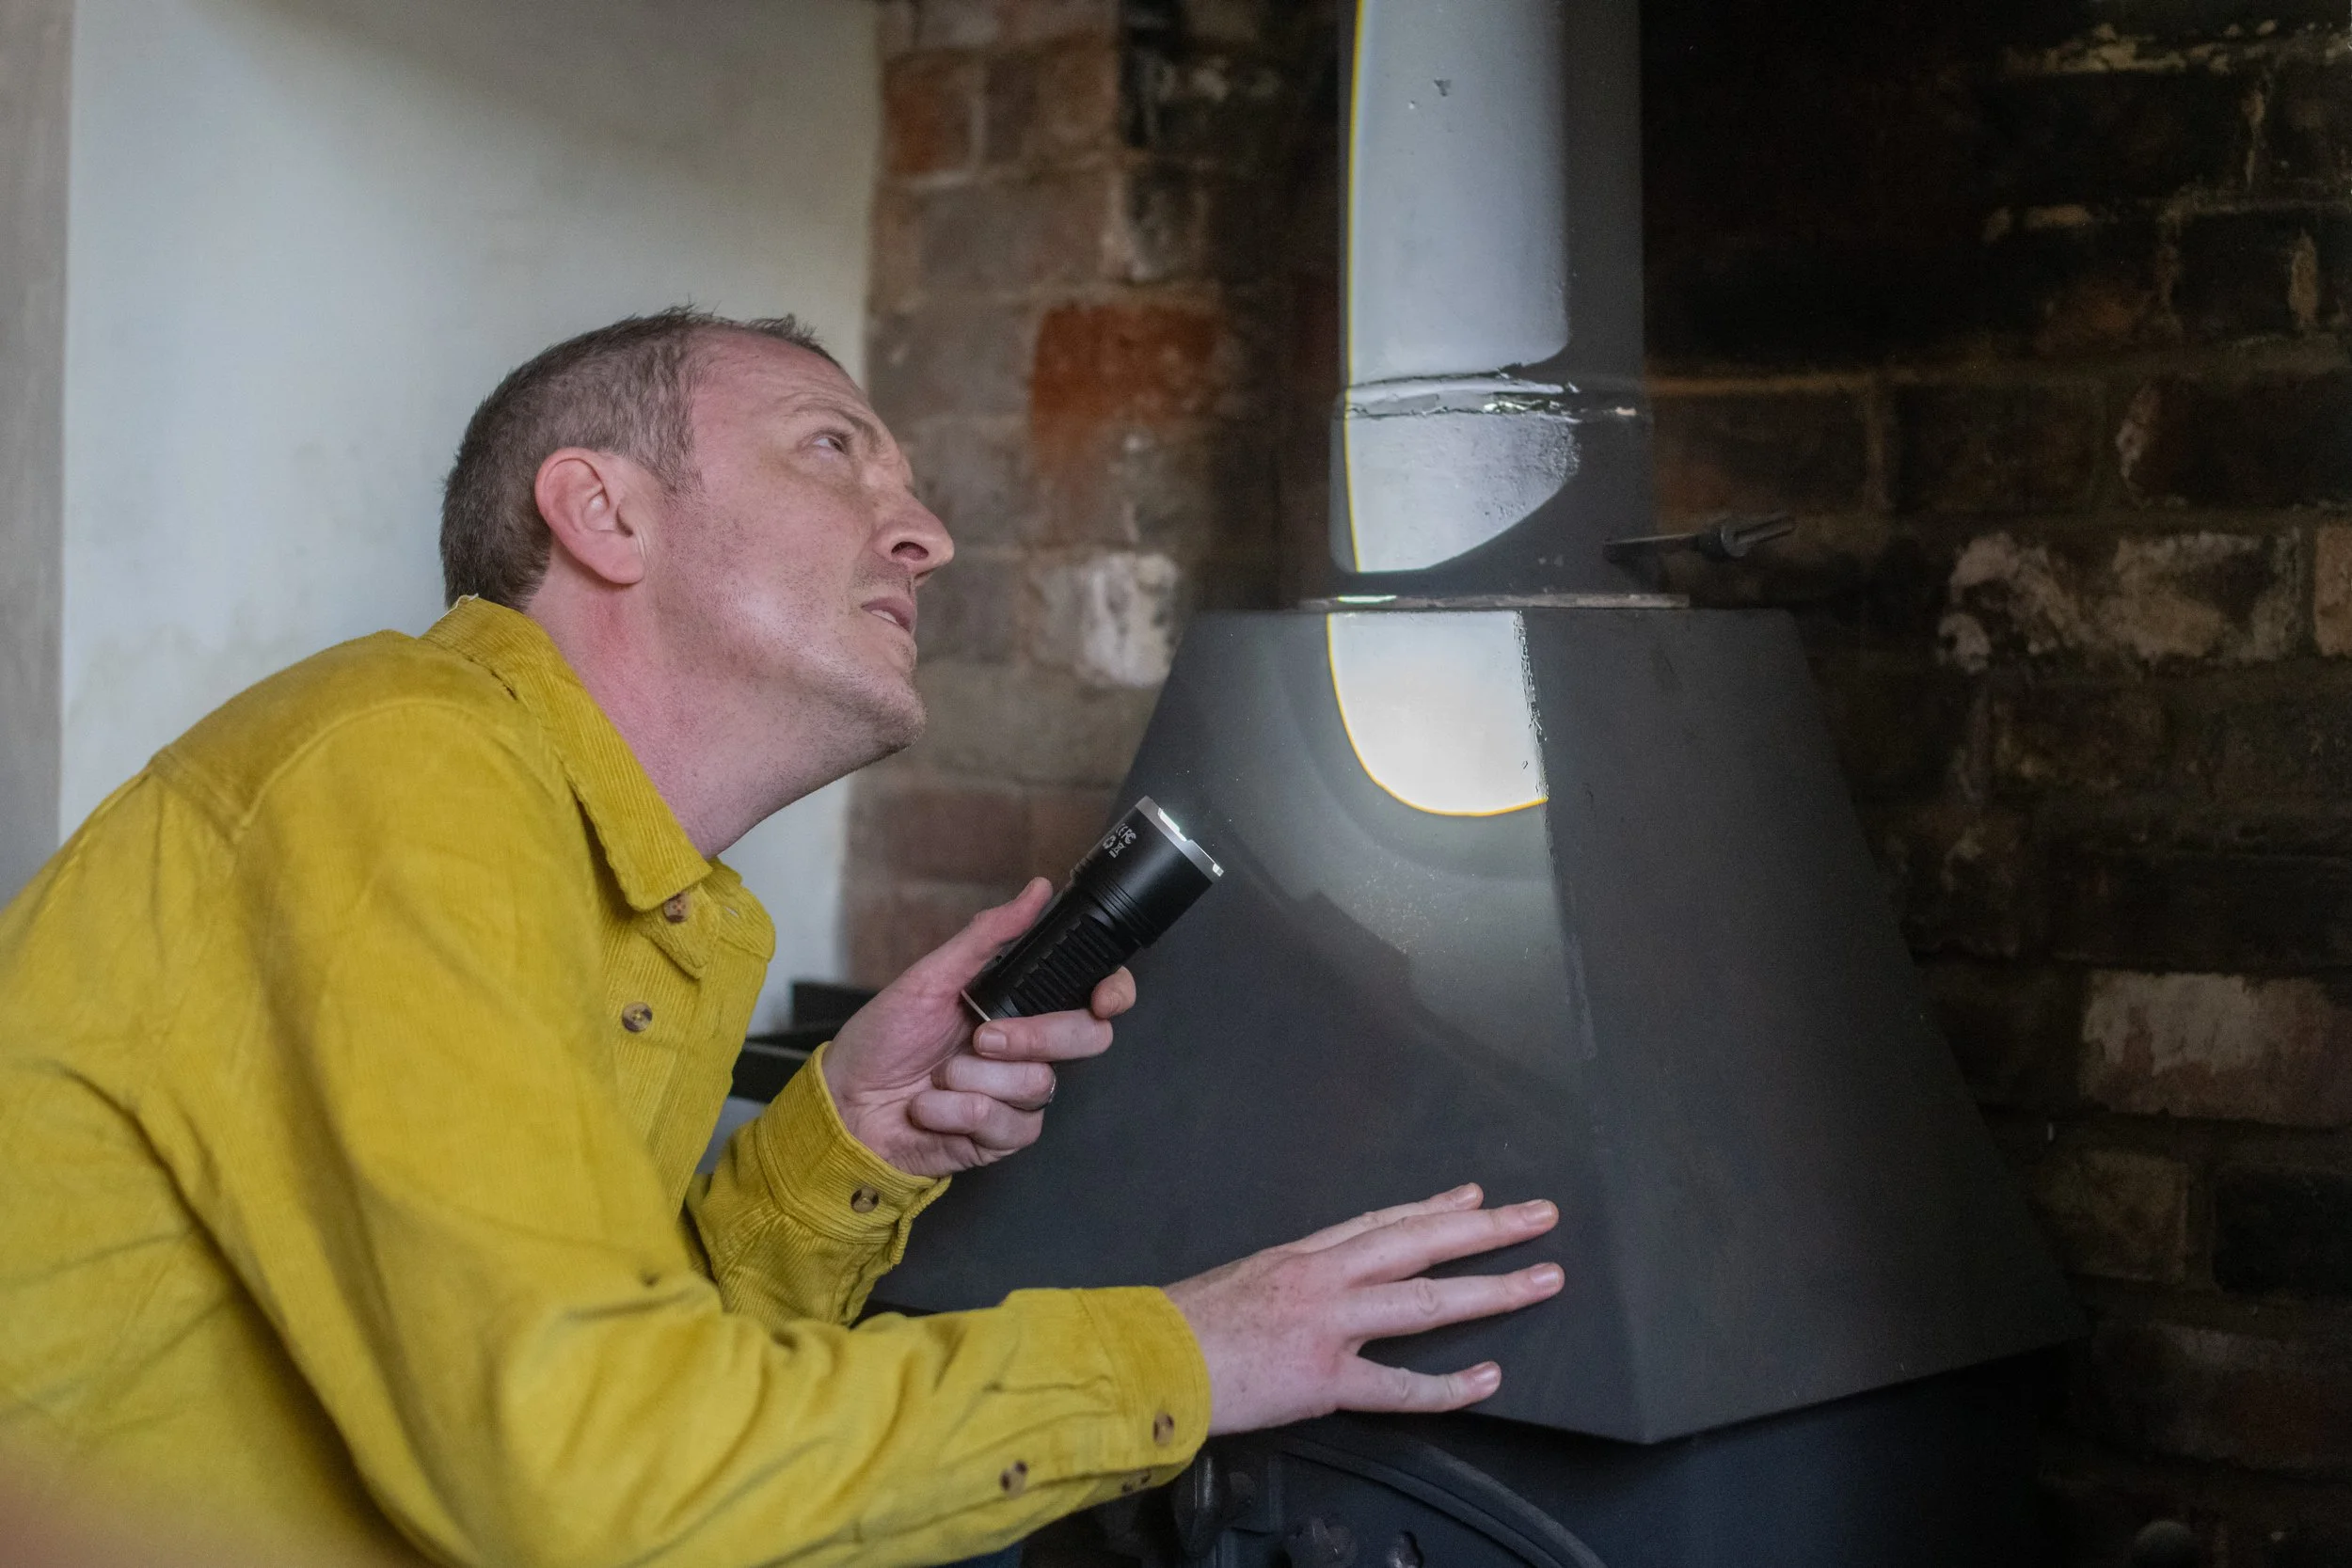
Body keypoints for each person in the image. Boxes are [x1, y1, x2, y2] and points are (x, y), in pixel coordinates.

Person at [0, 310, 1564, 1568]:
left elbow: (613, 1363)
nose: (929, 535)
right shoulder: (399, 769)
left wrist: (841, 1141)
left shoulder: (636, 890)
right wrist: (1189, 1357)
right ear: (602, 508)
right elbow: (589, 1479)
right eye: (835, 452)